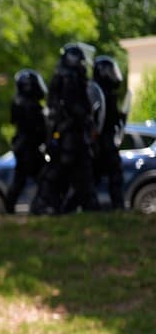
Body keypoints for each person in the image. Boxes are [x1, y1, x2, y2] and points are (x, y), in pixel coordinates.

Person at [35, 43, 98, 214]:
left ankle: (65, 206)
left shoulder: (67, 76)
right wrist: (85, 115)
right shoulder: (69, 78)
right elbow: (72, 106)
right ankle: (56, 205)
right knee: (70, 171)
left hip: (69, 133)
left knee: (73, 172)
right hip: (69, 133)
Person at [6, 69, 48, 213]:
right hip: (28, 148)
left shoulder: (19, 102)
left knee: (21, 180)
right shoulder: (30, 105)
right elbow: (39, 129)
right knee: (44, 177)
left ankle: (10, 207)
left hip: (24, 147)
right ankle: (38, 206)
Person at [92, 55, 126, 210]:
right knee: (108, 174)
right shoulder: (98, 92)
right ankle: (116, 205)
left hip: (105, 141)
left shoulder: (105, 93)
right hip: (102, 142)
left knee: (98, 176)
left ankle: (115, 206)